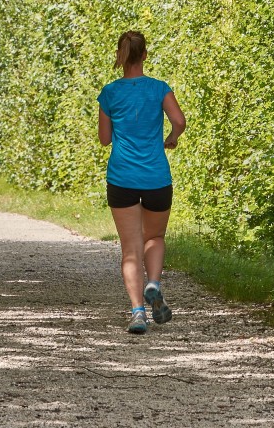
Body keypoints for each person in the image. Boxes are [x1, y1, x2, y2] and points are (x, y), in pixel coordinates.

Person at [97, 30, 186, 334]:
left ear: (120, 56)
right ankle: (154, 284)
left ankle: (137, 313)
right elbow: (179, 121)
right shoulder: (159, 88)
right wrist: (171, 138)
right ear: (145, 55)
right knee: (155, 237)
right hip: (156, 177)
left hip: (122, 177)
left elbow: (104, 139)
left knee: (130, 249)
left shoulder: (109, 93)